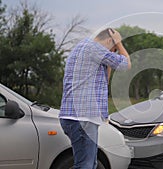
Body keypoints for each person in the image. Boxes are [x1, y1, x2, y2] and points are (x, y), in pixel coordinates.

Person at [59, 28, 131, 169]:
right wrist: (120, 43)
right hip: (82, 118)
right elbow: (126, 65)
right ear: (110, 40)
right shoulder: (95, 48)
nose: (114, 52)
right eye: (114, 48)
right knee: (85, 165)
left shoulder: (82, 47)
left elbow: (105, 81)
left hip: (75, 118)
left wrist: (111, 55)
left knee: (90, 164)